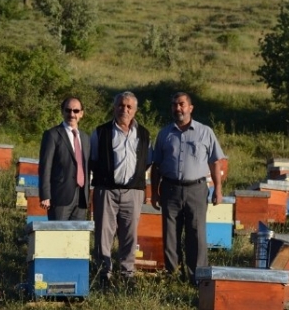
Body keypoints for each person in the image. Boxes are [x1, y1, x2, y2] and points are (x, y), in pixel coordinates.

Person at [150, 92, 225, 286]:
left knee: (196, 235)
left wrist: (218, 189)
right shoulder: (164, 134)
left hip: (197, 189)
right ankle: (174, 276)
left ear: (190, 108)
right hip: (169, 189)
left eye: (182, 104)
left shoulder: (205, 132)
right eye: (174, 105)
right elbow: (156, 165)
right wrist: (155, 192)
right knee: (170, 235)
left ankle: (197, 279)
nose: (178, 108)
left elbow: (215, 162)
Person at [90, 91, 151, 283]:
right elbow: (92, 159)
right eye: (121, 105)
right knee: (103, 234)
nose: (124, 109)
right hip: (106, 191)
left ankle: (127, 274)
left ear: (135, 110)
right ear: (114, 107)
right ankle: (103, 273)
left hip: (133, 192)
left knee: (130, 235)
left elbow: (147, 162)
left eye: (129, 107)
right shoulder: (101, 131)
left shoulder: (144, 133)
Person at [38, 97, 90, 221]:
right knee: (58, 237)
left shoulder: (85, 138)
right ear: (62, 111)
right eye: (68, 110)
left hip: (81, 196)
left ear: (81, 114)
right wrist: (45, 195)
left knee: (77, 238)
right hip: (60, 196)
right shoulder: (52, 134)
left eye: (76, 111)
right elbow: (45, 166)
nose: (72, 114)